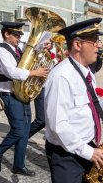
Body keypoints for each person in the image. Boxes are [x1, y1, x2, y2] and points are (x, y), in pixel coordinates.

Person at [44, 18, 103, 183]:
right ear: (78, 45)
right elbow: (58, 125)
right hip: (67, 155)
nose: (98, 45)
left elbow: (91, 106)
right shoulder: (61, 76)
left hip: (88, 146)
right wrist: (88, 152)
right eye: (94, 41)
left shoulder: (87, 71)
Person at [0, 21, 49, 176]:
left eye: (20, 34)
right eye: (16, 34)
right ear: (7, 34)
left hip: (22, 94)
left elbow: (34, 50)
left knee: (24, 132)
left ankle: (19, 165)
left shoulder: (17, 48)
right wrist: (34, 73)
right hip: (9, 95)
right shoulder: (2, 51)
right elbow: (12, 72)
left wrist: (44, 47)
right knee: (18, 130)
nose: (19, 37)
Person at [29, 40, 53, 138]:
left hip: (50, 88)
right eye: (45, 43)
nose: (47, 45)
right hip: (40, 87)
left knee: (51, 120)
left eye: (49, 43)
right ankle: (22, 139)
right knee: (41, 120)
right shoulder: (38, 53)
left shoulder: (51, 53)